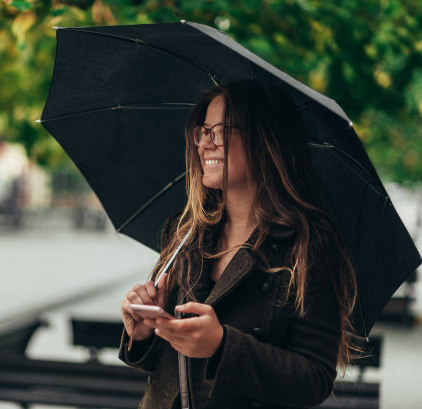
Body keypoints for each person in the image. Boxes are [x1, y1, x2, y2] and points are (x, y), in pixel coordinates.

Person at [119, 79, 358, 409]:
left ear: (265, 139)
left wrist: (223, 345)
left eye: (223, 129)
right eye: (203, 130)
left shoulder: (309, 243)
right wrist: (144, 331)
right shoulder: (185, 232)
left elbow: (314, 378)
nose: (206, 143)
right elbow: (164, 366)